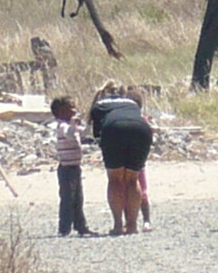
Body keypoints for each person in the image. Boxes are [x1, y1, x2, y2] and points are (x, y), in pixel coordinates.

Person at [88, 82, 153, 235]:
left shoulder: (99, 105)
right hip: (141, 130)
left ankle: (118, 225)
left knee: (115, 179)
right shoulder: (131, 103)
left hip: (114, 129)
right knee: (132, 178)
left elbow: (97, 134)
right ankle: (132, 225)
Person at [51, 96, 97, 236]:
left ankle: (80, 226)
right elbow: (70, 134)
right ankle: (64, 228)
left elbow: (85, 133)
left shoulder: (71, 126)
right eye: (70, 107)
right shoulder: (62, 126)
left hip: (75, 167)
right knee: (67, 198)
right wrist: (73, 124)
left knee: (78, 197)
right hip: (66, 168)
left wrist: (89, 122)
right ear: (60, 111)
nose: (74, 110)